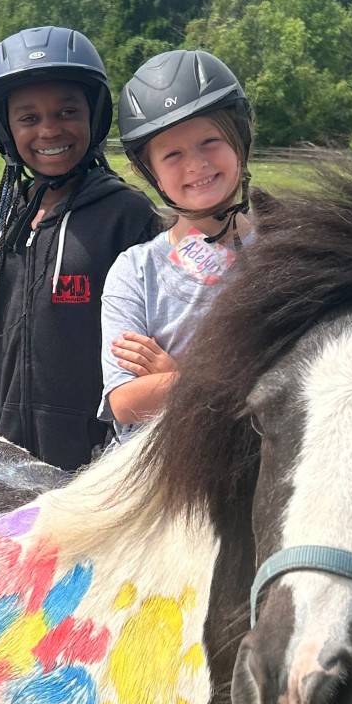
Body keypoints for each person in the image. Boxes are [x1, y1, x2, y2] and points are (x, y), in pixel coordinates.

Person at [0, 26, 157, 470]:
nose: (49, 130)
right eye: (28, 118)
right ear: (5, 127)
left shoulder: (126, 217)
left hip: (95, 463)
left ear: (95, 115)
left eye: (68, 111)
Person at [99, 50, 254, 445]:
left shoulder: (284, 255)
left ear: (240, 139)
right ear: (148, 171)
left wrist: (179, 380)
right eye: (172, 154)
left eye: (210, 141)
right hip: (150, 469)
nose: (197, 164)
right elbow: (125, 401)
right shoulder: (136, 270)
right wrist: (236, 382)